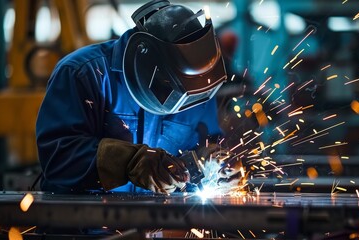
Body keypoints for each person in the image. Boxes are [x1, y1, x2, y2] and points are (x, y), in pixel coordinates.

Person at [35, 0, 228, 193]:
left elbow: (208, 141)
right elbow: (58, 159)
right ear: (145, 59)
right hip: (86, 219)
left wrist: (214, 161)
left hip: (161, 219)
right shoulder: (83, 73)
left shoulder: (201, 83)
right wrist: (127, 161)